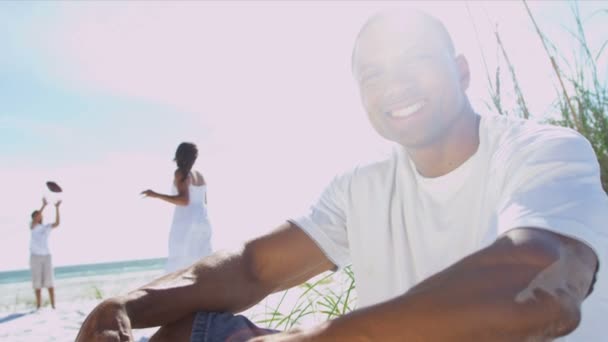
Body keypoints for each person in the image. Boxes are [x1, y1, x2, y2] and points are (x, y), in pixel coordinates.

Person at [76, 9, 607, 342]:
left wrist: (313, 337)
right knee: (182, 333)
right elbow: (256, 269)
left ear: (462, 70)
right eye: (372, 73)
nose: (393, 84)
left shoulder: (544, 151)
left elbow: (539, 287)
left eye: (413, 60)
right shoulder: (363, 186)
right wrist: (127, 303)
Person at [141, 142, 213, 273]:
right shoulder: (200, 176)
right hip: (203, 220)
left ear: (179, 155)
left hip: (187, 222)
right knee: (201, 264)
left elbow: (184, 201)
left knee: (179, 265)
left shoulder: (181, 173)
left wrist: (156, 195)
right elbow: (204, 201)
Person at [29, 197, 61, 310]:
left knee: (50, 283)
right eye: (37, 215)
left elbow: (57, 223)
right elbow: (35, 218)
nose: (40, 216)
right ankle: (38, 306)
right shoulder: (33, 226)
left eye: (40, 214)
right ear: (34, 218)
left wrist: (57, 208)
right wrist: (43, 206)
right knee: (37, 284)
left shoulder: (46, 227)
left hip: (47, 256)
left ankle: (53, 306)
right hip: (35, 257)